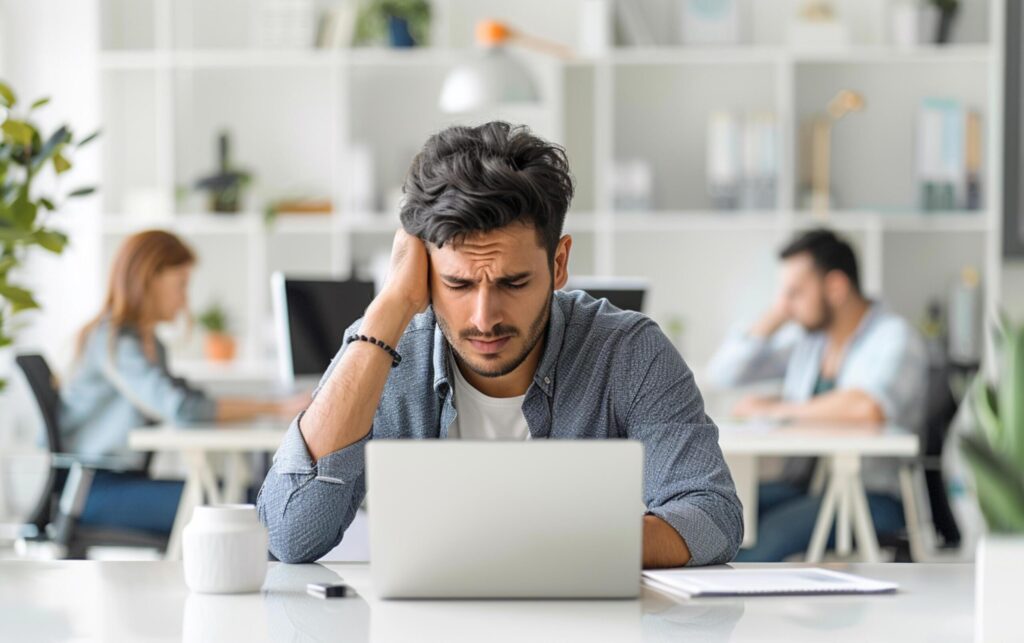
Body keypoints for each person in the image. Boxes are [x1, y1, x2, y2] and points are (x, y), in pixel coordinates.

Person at [258, 122, 743, 567]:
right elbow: (289, 534)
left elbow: (712, 515)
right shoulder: (387, 351)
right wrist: (388, 307)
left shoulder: (628, 351)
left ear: (558, 264)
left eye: (512, 284)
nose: (484, 318)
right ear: (424, 270)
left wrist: (557, 550)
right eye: (459, 284)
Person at [60, 230, 305, 537]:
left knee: (244, 500)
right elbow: (181, 407)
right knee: (244, 508)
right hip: (92, 491)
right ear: (150, 278)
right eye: (181, 284)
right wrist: (273, 408)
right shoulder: (114, 341)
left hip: (122, 483)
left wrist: (274, 406)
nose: (184, 299)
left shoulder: (150, 343)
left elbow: (189, 396)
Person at [707, 228, 928, 561]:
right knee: (715, 510)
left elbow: (867, 406)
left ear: (836, 287)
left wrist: (779, 410)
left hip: (874, 495)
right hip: (806, 488)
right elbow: (723, 374)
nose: (786, 304)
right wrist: (777, 314)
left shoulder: (894, 338)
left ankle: (725, 612)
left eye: (795, 292)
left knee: (767, 536)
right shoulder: (810, 342)